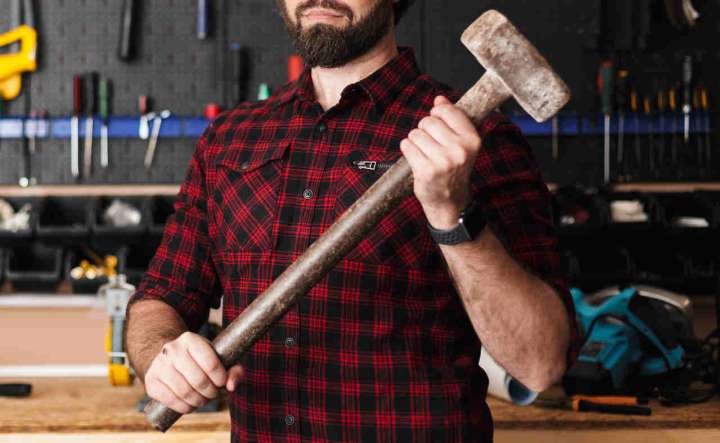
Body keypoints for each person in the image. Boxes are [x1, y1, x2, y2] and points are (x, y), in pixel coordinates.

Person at [125, 0, 578, 441]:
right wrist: (160, 359)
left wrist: (451, 212)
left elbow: (540, 362)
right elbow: (161, 296)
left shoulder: (480, 142)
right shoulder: (230, 139)